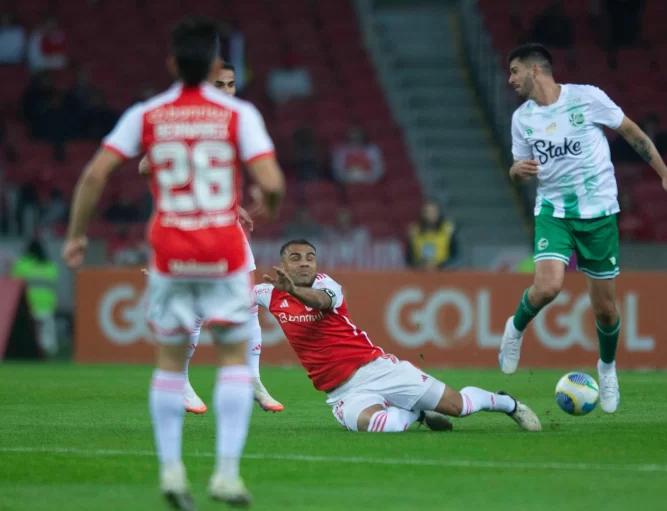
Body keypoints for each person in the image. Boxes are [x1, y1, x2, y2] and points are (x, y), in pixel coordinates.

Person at [61, 19, 286, 509]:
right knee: (230, 359)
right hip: (222, 251)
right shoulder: (238, 113)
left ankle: (170, 469)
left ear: (171, 64)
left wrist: (77, 236)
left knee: (168, 362)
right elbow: (271, 180)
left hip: (170, 251)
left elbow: (96, 174)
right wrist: (269, 202)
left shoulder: (149, 113)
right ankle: (226, 475)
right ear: (213, 65)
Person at [502, 43, 667, 414]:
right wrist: (516, 171)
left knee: (604, 309)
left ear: (535, 70)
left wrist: (665, 176)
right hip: (553, 211)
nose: (510, 80)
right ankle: (515, 329)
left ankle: (607, 368)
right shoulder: (522, 118)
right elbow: (518, 167)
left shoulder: (587, 98)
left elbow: (633, 134)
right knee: (549, 286)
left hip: (599, 213)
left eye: (515, 71)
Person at [255, 240, 542, 434]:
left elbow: (319, 301)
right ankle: (418, 413)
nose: (305, 263)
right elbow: (232, 302)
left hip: (378, 370)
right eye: (295, 258)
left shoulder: (328, 285)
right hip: (342, 393)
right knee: (382, 426)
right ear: (282, 264)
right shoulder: (268, 294)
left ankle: (508, 404)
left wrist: (292, 290)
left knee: (460, 407)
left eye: (310, 258)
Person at [139, 61, 284, 415]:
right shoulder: (191, 119)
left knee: (247, 303)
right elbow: (146, 166)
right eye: (219, 84)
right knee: (197, 312)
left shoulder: (234, 121)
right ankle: (183, 383)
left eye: (231, 85)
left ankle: (252, 379)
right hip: (192, 229)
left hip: (225, 225)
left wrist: (233, 206)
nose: (227, 91)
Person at [12, 238, 58, 356]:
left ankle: (29, 353)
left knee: (29, 333)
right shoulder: (50, 267)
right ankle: (47, 355)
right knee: (47, 334)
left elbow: (13, 285)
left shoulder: (21, 265)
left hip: (28, 305)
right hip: (46, 305)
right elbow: (54, 287)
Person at [405, 200, 459, 270]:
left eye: (433, 212)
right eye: (427, 212)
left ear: (438, 213)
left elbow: (456, 256)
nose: (430, 215)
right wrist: (419, 266)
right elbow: (409, 258)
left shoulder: (448, 229)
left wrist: (441, 265)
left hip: (444, 272)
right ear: (423, 214)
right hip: (420, 273)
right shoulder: (414, 231)